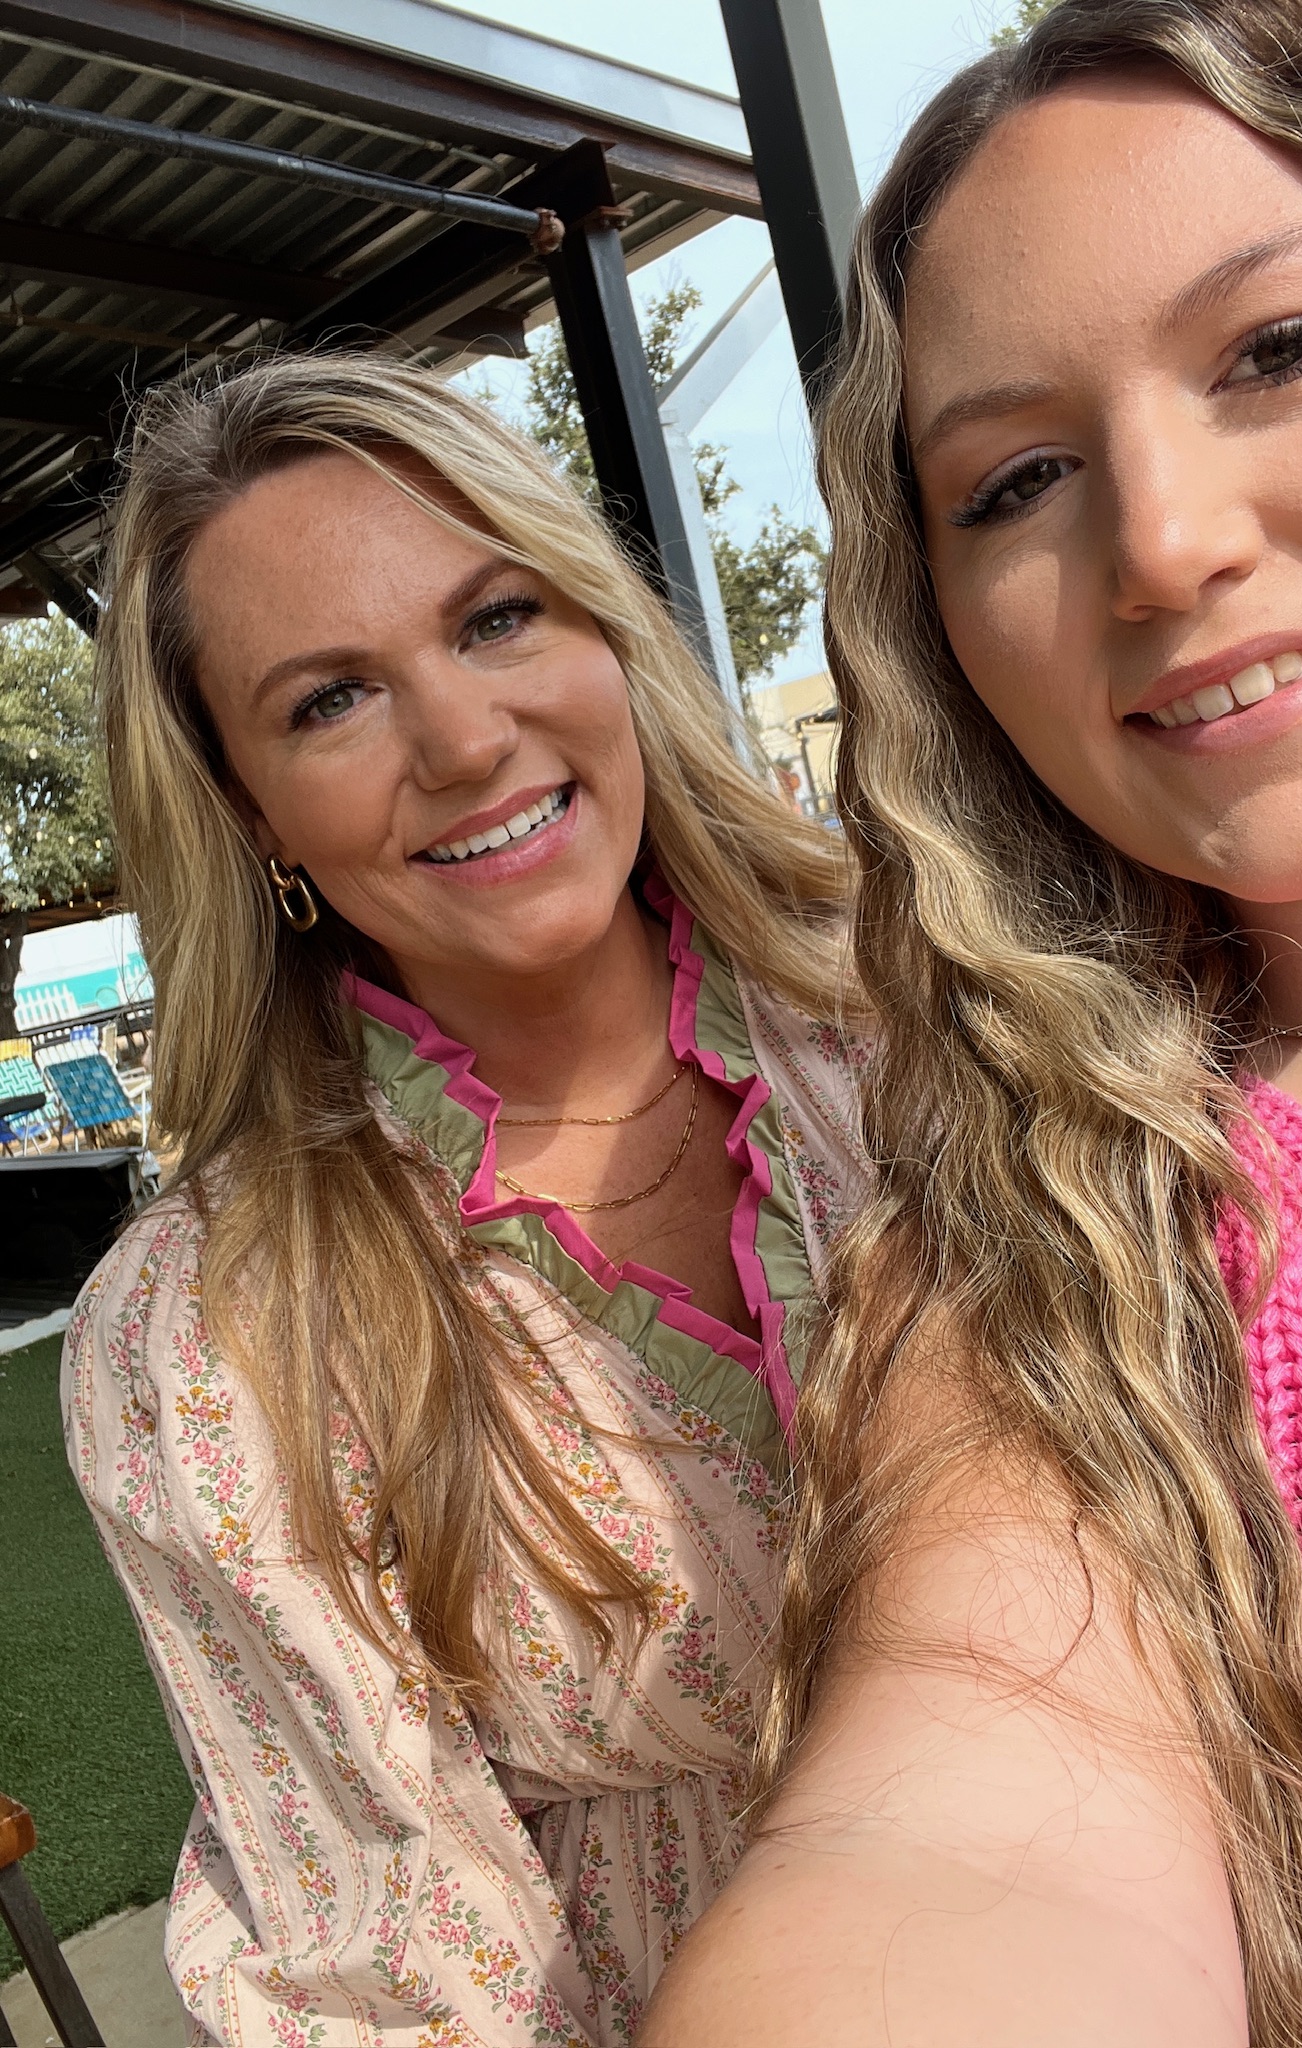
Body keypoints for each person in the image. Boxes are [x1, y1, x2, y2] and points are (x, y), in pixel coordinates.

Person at [639, 2, 1302, 2044]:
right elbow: (968, 1836)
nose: (1163, 542)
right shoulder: (1067, 1268)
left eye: (1282, 347)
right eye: (1020, 475)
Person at [64, 354, 866, 2044]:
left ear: (603, 629)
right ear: (247, 809)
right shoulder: (215, 1327)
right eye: (328, 701)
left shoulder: (932, 1015)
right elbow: (388, 1978)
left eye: (498, 617)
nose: (464, 737)